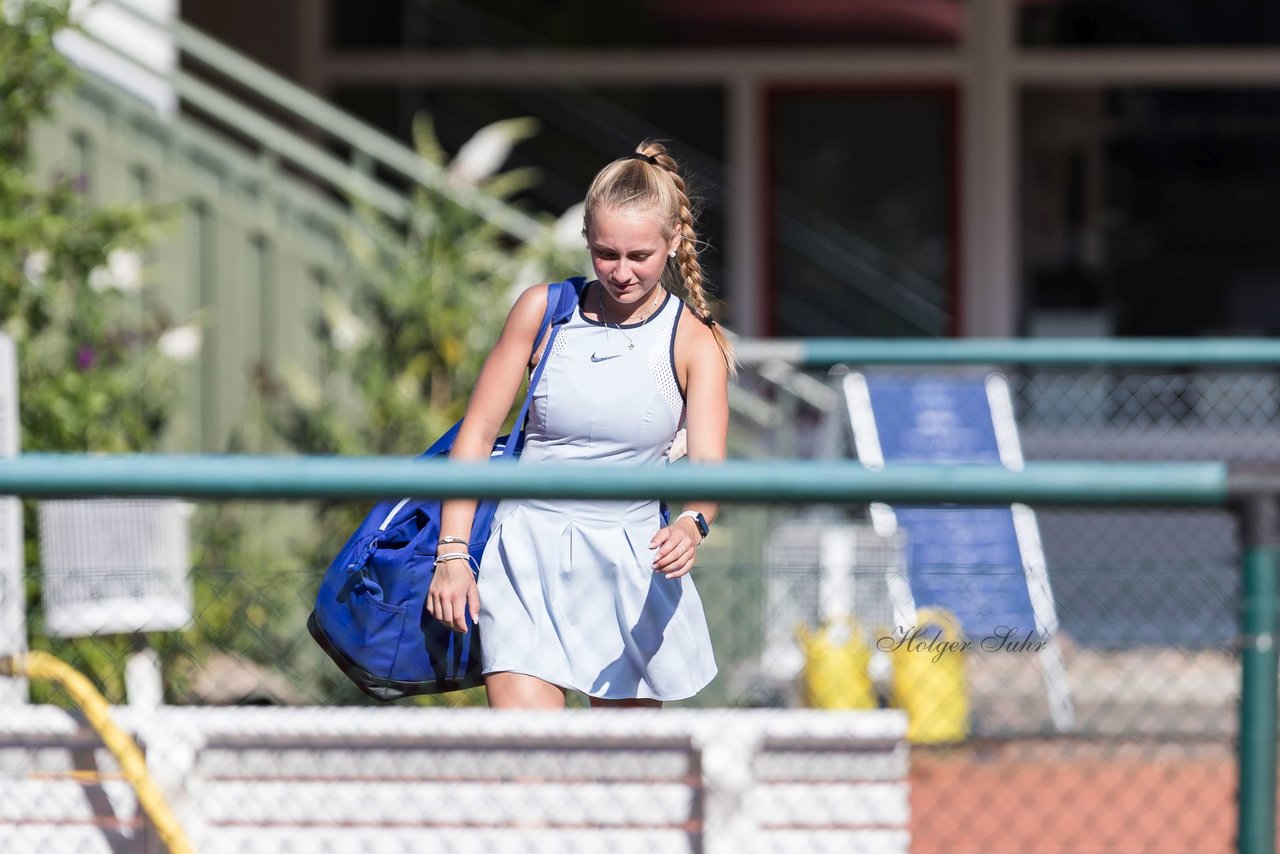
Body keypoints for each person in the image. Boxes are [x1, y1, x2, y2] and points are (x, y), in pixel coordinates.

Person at [426, 141, 735, 709]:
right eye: (605, 253)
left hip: (631, 566)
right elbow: (474, 434)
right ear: (588, 241)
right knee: (531, 772)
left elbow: (709, 467)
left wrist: (692, 524)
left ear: (673, 244)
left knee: (625, 785)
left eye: (639, 255)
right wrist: (452, 555)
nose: (621, 272)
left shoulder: (694, 340)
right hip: (524, 556)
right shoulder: (542, 310)